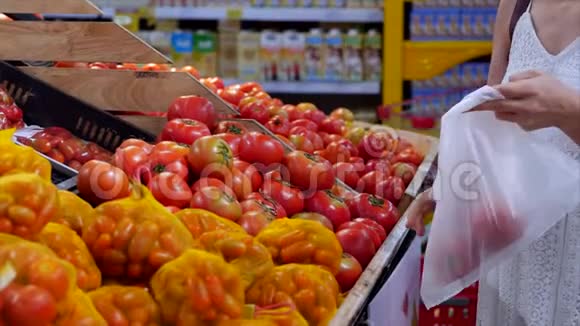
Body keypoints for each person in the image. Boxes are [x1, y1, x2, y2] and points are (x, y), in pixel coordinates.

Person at [406, 0, 580, 325]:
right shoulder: (515, 6)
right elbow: (492, 129)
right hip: (515, 266)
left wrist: (571, 111)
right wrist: (450, 186)